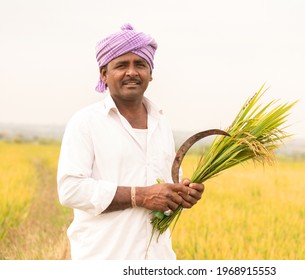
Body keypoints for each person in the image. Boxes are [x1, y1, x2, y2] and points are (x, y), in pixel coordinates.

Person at [57, 23, 204, 260]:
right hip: (104, 260)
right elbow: (70, 190)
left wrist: (182, 193)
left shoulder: (161, 123)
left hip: (158, 259)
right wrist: (141, 196)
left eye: (140, 64)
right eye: (121, 65)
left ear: (151, 73)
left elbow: (165, 187)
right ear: (104, 75)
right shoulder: (85, 122)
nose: (132, 72)